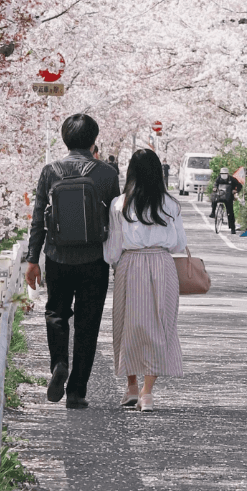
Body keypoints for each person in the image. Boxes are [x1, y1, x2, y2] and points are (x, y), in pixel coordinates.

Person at [26, 114, 120, 408]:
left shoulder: (50, 171)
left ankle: (58, 365)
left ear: (64, 139)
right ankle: (77, 392)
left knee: (56, 313)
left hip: (57, 257)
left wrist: (32, 259)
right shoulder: (106, 173)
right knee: (87, 324)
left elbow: (38, 218)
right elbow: (116, 221)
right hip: (95, 259)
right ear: (94, 140)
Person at [104, 148, 186, 412]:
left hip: (130, 264)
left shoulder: (120, 203)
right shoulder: (170, 204)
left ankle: (130, 387)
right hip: (162, 264)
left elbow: (113, 247)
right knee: (161, 327)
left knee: (128, 325)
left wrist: (116, 262)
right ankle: (146, 393)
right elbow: (178, 245)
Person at [209, 166, 243, 233]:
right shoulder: (219, 178)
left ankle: (232, 228)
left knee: (230, 212)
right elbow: (215, 184)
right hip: (220, 195)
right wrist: (215, 188)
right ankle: (213, 212)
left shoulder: (232, 179)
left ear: (227, 174)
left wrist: (235, 190)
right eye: (222, 174)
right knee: (214, 199)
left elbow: (239, 185)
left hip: (229, 197)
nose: (223, 175)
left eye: (225, 174)